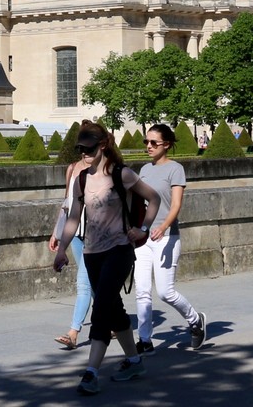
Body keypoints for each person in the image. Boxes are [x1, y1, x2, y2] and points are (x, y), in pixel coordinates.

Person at [52, 120, 163, 396]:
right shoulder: (81, 179)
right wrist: (62, 248)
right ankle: (134, 362)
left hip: (119, 250)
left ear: (102, 146)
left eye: (89, 149)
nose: (84, 154)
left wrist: (143, 229)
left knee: (101, 308)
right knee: (113, 309)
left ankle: (91, 372)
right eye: (81, 149)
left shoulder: (122, 174)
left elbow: (154, 198)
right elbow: (73, 217)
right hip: (92, 253)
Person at [133, 124, 208, 352]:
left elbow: (176, 205)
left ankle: (195, 320)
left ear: (166, 144)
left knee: (165, 292)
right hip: (143, 237)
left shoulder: (175, 169)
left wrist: (163, 226)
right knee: (142, 290)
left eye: (153, 142)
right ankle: (145, 340)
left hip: (166, 237)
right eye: (146, 142)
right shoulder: (144, 170)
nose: (148, 146)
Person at [47, 151, 94, 349]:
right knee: (92, 284)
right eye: (82, 145)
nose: (86, 150)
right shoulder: (73, 169)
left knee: (83, 284)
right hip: (75, 234)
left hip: (96, 237)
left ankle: (73, 332)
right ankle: (113, 322)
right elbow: (66, 203)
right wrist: (57, 233)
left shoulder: (106, 171)